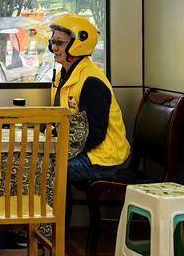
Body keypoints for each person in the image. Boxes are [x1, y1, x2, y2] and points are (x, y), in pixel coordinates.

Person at [48, 14, 130, 182]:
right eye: (52, 42)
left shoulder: (91, 82)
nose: (54, 48)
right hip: (85, 151)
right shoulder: (63, 77)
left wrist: (61, 151)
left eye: (59, 43)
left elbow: (95, 134)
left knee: (47, 168)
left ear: (78, 45)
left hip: (103, 159)